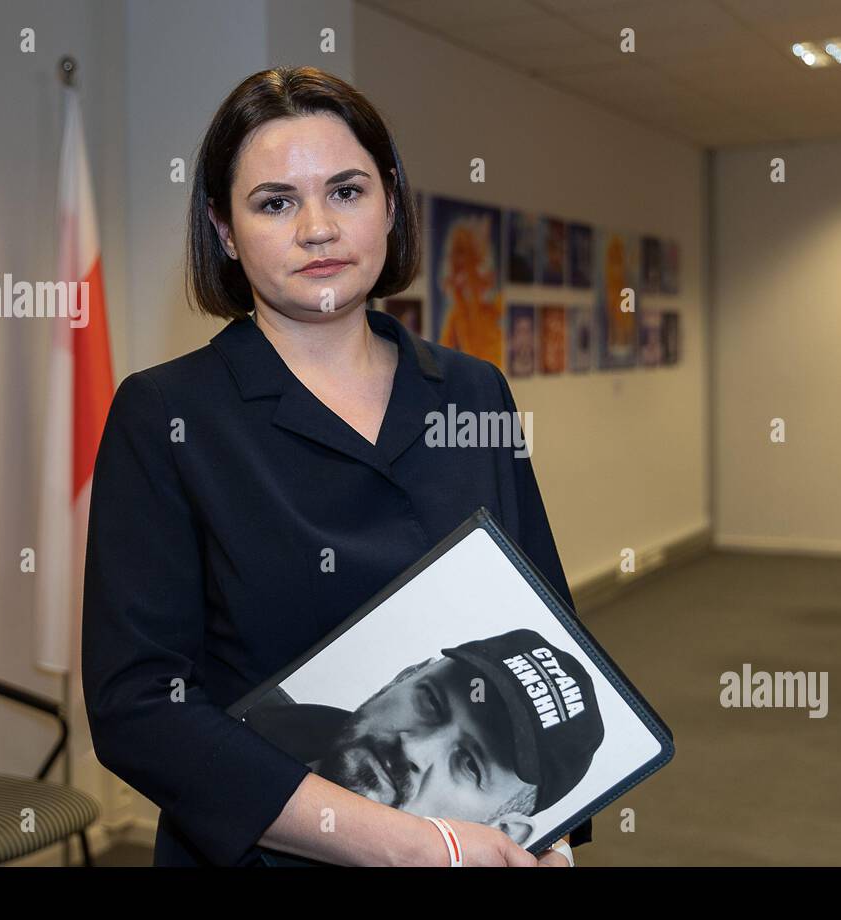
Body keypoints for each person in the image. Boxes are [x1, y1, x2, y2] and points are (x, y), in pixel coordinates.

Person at [80, 66, 589, 867]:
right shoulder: (167, 415)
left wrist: (547, 830)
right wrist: (410, 845)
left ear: (389, 202)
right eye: (275, 202)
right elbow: (138, 707)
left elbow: (545, 619)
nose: (317, 228)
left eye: (346, 191)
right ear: (223, 229)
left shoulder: (472, 389)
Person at [241, 629, 605, 855]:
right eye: (431, 702)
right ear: (402, 678)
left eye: (469, 765)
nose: (414, 748)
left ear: (504, 833)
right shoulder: (231, 725)